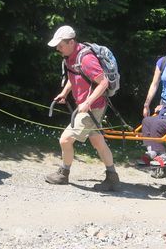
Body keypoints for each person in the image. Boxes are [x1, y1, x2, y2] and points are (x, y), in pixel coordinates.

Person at [44, 25, 120, 191]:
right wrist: (64, 93)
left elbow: (104, 82)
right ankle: (113, 177)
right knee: (98, 141)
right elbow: (75, 75)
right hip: (88, 106)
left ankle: (63, 174)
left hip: (93, 107)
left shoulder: (86, 59)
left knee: (65, 139)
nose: (58, 48)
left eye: (61, 45)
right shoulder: (71, 57)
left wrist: (87, 102)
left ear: (71, 42)